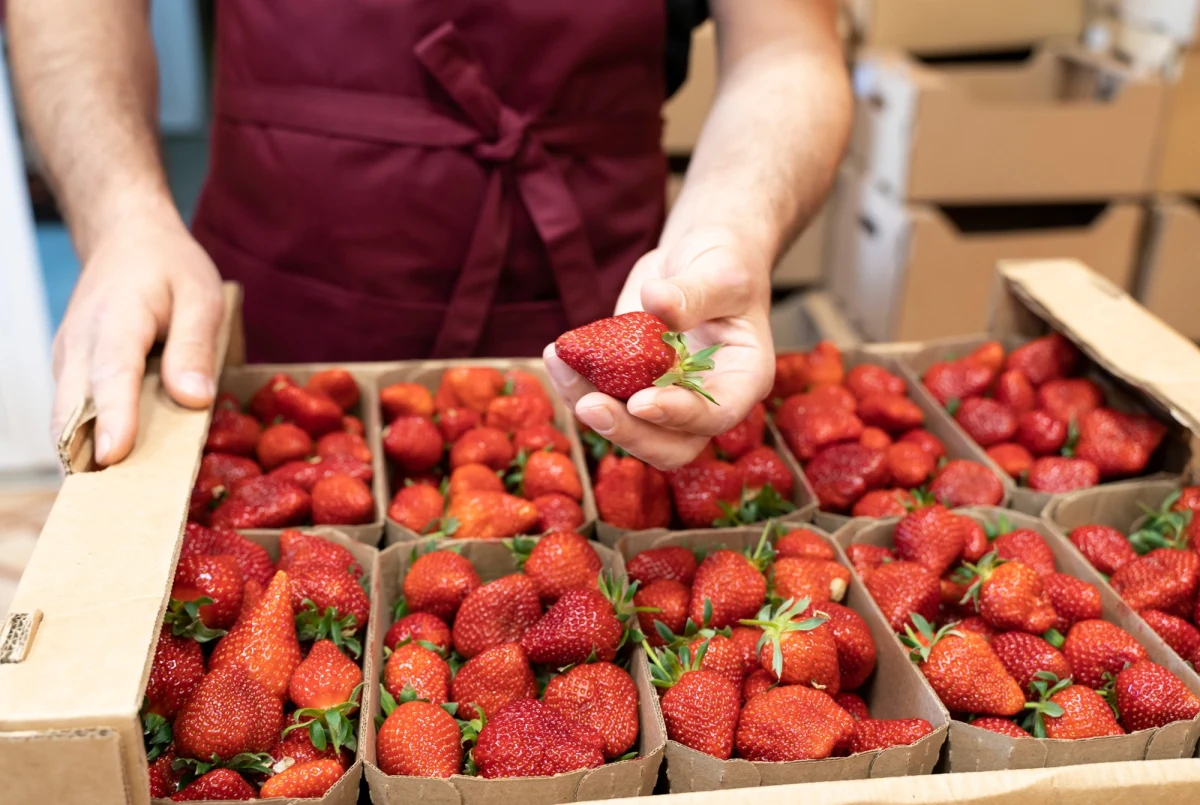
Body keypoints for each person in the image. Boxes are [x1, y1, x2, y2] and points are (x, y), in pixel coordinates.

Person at [9, 0, 850, 470]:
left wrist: (727, 229)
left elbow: (785, 47)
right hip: (276, 295)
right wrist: (122, 212)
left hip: (612, 303)